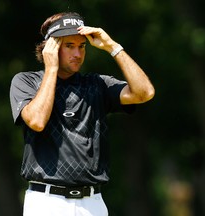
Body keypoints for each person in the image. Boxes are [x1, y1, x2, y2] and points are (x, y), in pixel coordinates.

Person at [9, 12, 155, 216]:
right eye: (69, 46)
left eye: (82, 46)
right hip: (47, 203)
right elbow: (36, 121)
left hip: (93, 203)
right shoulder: (26, 82)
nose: (77, 54)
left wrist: (113, 47)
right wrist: (51, 68)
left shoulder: (97, 85)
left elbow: (144, 92)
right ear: (51, 47)